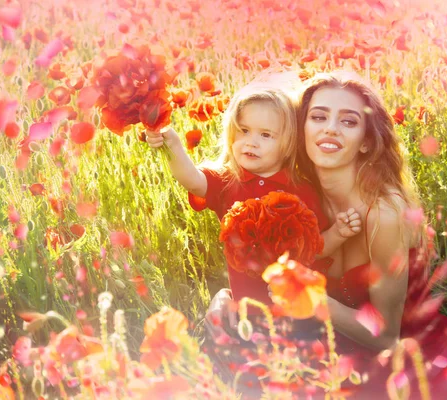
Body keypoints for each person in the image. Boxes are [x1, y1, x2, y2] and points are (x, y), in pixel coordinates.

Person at [296, 70, 447, 399]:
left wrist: (313, 298)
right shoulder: (300, 200)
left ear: (367, 142)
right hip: (331, 348)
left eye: (348, 122)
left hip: (408, 362)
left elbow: (387, 337)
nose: (330, 128)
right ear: (301, 128)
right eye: (318, 117)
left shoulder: (384, 214)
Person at [145, 73, 361, 394]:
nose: (251, 142)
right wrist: (173, 146)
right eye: (243, 131)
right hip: (248, 311)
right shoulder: (228, 182)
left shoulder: (302, 191)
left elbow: (314, 249)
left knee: (297, 374)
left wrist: (341, 233)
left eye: (265, 135)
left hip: (296, 312)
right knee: (248, 376)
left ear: (288, 143)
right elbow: (192, 179)